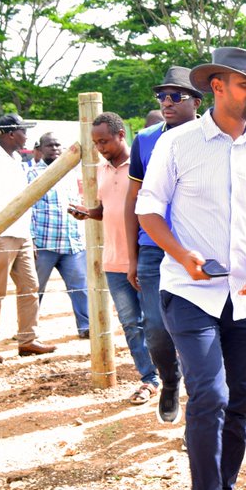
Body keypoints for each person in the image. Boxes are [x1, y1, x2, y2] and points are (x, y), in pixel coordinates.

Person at [136, 47, 246, 490]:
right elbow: (148, 210)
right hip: (189, 292)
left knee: (241, 401)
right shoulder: (176, 144)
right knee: (210, 396)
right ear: (218, 86)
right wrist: (182, 254)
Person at [125, 67, 201, 424]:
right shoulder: (144, 140)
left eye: (176, 96)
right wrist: (131, 255)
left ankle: (200, 409)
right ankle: (169, 382)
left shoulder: (211, 138)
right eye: (162, 96)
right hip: (154, 247)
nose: (167, 102)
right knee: (156, 328)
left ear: (197, 102)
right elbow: (134, 200)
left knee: (199, 327)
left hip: (199, 244)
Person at [71, 113, 160, 405]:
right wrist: (88, 212)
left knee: (157, 323)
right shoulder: (101, 170)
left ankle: (173, 375)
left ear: (121, 135)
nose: (100, 147)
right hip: (113, 261)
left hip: (146, 258)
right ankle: (150, 380)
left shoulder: (143, 163)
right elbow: (106, 208)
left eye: (105, 141)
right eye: (96, 143)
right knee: (132, 325)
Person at [0, 113, 56, 364]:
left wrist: (30, 235)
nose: (27, 136)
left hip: (21, 233)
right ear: (10, 133)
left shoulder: (17, 158)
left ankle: (28, 339)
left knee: (30, 287)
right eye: (23, 131)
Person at [28, 133, 89, 339]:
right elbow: (28, 210)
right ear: (40, 149)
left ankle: (86, 327)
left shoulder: (71, 173)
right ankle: (28, 332)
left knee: (80, 287)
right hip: (44, 242)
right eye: (49, 145)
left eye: (57, 145)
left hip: (71, 242)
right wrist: (31, 240)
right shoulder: (32, 174)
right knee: (35, 290)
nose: (54, 148)